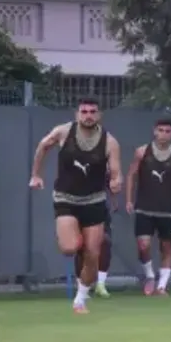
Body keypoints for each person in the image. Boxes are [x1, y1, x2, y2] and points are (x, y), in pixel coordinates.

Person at [29, 98, 122, 314]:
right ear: (77, 114)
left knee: (93, 254)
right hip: (66, 198)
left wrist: (116, 182)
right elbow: (43, 146)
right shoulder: (63, 132)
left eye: (92, 112)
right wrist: (36, 174)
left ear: (99, 115)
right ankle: (76, 241)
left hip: (94, 201)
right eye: (84, 111)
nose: (88, 115)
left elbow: (116, 171)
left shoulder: (109, 142)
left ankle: (80, 299)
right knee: (70, 247)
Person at [126, 117, 171, 296]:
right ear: (154, 131)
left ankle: (162, 286)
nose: (163, 134)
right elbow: (131, 175)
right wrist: (129, 199)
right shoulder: (142, 152)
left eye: (167, 131)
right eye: (160, 130)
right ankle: (149, 276)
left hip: (168, 210)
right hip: (144, 208)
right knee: (143, 245)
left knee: (167, 247)